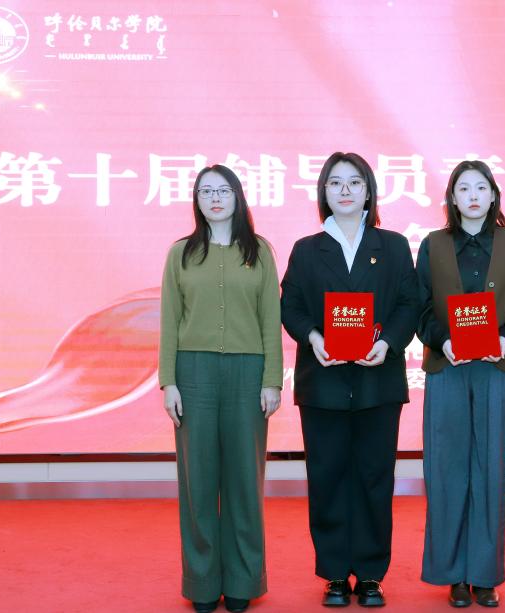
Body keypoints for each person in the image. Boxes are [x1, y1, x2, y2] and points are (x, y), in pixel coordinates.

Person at [280, 152, 419, 607]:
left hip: (379, 382)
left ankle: (372, 574)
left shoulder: (393, 246)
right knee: (327, 477)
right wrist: (313, 336)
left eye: (354, 182)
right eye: (335, 182)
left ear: (368, 191)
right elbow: (290, 306)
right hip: (323, 383)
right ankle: (335, 574)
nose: (344, 190)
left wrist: (389, 343)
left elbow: (409, 304)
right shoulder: (306, 249)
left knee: (375, 478)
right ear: (323, 192)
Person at [159, 164, 284, 613]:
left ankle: (243, 580)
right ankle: (202, 583)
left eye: (223, 190)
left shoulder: (260, 252)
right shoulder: (181, 253)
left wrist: (272, 380)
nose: (215, 198)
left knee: (244, 483)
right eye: (206, 191)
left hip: (248, 374)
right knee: (198, 482)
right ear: (196, 200)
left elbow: (271, 319)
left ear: (237, 197)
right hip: (193, 374)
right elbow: (170, 319)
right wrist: (168, 382)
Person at [414, 160, 505, 608]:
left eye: (481, 187)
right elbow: (420, 305)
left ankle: (484, 575)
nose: (473, 196)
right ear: (452, 197)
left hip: (495, 368)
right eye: (463, 188)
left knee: (489, 470)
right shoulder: (433, 244)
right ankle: (453, 576)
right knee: (446, 470)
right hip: (447, 367)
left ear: (493, 195)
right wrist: (442, 341)